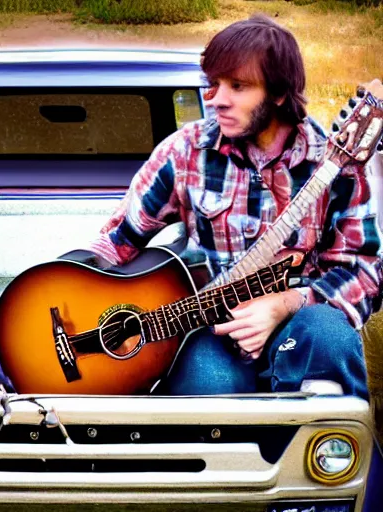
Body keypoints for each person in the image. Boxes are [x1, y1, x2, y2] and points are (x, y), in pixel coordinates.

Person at [83, 15, 383, 400]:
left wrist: (286, 304)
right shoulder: (186, 153)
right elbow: (117, 239)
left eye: (238, 86)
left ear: (277, 93)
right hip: (210, 328)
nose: (217, 100)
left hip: (302, 321)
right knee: (209, 388)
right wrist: (64, 290)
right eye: (214, 84)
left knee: (327, 337)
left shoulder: (334, 164)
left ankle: (325, 454)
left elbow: (363, 272)